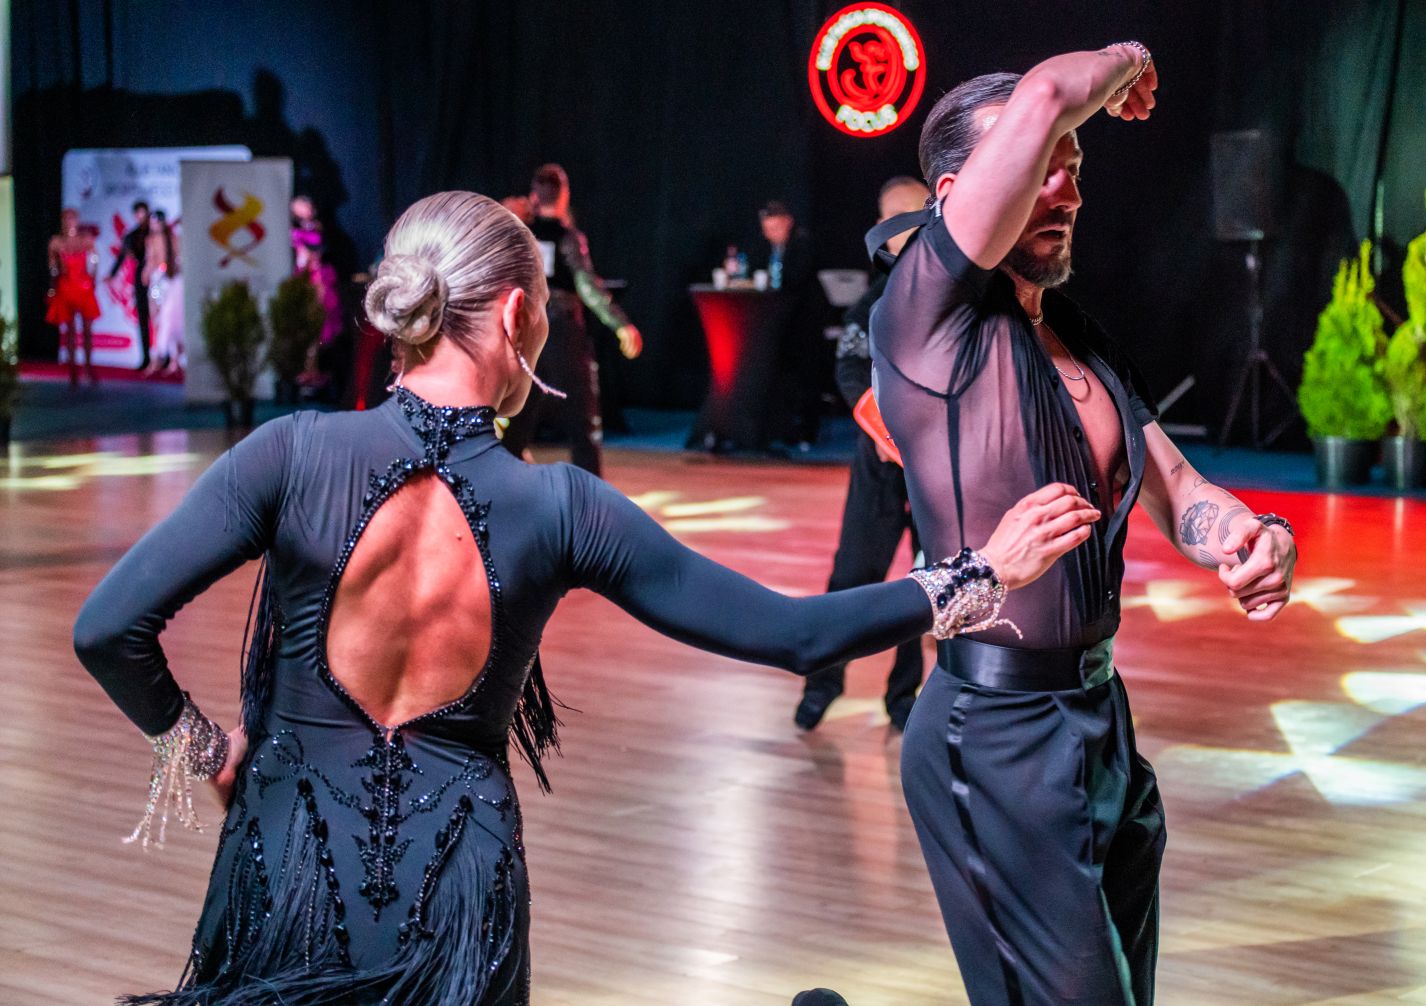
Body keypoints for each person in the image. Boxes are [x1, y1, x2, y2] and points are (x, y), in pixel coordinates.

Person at [73, 190, 1102, 1004]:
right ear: (518, 315)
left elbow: (109, 629)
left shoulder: (290, 454)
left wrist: (208, 752)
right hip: (457, 894)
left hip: (283, 858)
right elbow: (793, 634)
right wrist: (979, 573)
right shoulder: (561, 507)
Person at [869, 46, 1298, 1005]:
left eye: (1075, 166)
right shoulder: (924, 316)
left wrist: (1254, 536)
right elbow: (1048, 91)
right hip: (993, 738)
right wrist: (1131, 61)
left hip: (1100, 722)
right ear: (955, 197)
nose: (1064, 189)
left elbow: (1178, 487)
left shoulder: (1077, 336)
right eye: (1039, 166)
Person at [795, 176, 931, 733]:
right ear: (881, 230)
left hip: (941, 471)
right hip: (882, 462)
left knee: (930, 583)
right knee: (853, 576)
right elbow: (851, 370)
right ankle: (822, 684)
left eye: (922, 214)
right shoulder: (872, 305)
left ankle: (904, 697)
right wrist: (883, 430)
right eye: (899, 219)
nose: (912, 229)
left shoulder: (964, 296)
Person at [500, 164, 641, 476]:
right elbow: (587, 286)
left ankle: (499, 480)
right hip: (561, 330)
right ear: (564, 196)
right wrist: (620, 323)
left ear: (534, 196)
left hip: (525, 329)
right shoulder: (568, 237)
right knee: (582, 414)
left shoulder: (519, 233)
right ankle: (590, 487)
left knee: (518, 409)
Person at [754, 200, 826, 446]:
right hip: (778, 322)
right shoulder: (766, 248)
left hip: (805, 321)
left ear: (788, 222)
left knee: (806, 376)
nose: (770, 235)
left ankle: (807, 430)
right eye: (766, 230)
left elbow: (796, 280)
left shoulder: (802, 244)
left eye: (775, 229)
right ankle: (779, 427)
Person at [47, 208, 103, 387]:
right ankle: (73, 370)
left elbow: (94, 260)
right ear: (63, 221)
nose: (70, 222)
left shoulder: (85, 239)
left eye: (73, 218)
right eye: (67, 218)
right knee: (70, 330)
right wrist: (52, 288)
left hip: (84, 287)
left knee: (87, 330)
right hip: (66, 286)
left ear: (77, 221)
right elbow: (53, 267)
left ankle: (88, 367)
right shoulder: (56, 242)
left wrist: (93, 279)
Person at [109, 199, 153, 369]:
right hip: (141, 279)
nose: (141, 216)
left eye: (143, 212)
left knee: (162, 320)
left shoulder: (155, 231)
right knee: (143, 318)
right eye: (138, 213)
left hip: (158, 279)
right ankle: (146, 357)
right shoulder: (132, 235)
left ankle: (166, 357)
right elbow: (122, 256)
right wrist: (112, 274)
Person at [143, 211, 185, 376]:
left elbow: (177, 260)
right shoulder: (151, 240)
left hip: (169, 281)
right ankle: (163, 357)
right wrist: (148, 272)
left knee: (171, 319)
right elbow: (150, 261)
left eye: (156, 222)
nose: (154, 226)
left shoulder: (173, 239)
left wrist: (155, 271)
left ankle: (171, 359)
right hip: (158, 281)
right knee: (159, 319)